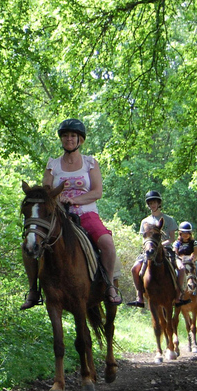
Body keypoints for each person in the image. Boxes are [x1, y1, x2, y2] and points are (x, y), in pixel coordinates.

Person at [21, 118, 122, 309]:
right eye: (65, 135)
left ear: (80, 140)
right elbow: (47, 191)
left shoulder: (90, 163)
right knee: (29, 243)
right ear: (61, 139)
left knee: (107, 244)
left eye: (73, 136)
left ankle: (109, 285)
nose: (69, 139)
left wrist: (74, 200)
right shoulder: (53, 164)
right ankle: (34, 290)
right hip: (59, 216)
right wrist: (54, 201)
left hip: (86, 213)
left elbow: (97, 192)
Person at [126, 190, 180, 308]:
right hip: (148, 250)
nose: (152, 205)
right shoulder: (145, 222)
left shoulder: (169, 219)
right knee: (135, 268)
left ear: (159, 203)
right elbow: (144, 238)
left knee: (180, 269)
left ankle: (178, 295)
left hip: (165, 250)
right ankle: (139, 296)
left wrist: (160, 245)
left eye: (154, 202)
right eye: (150, 203)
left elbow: (171, 238)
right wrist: (148, 247)